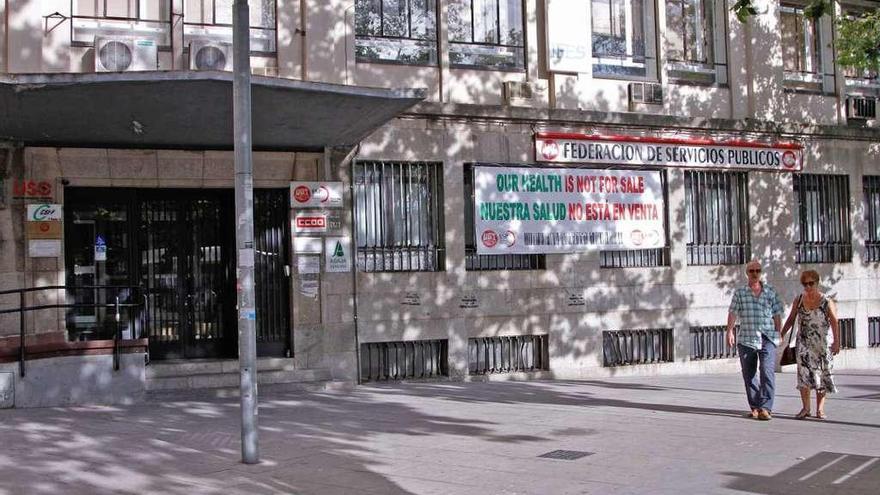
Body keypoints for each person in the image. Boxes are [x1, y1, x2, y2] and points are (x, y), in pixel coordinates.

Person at [726, 260, 785, 421]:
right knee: (749, 374)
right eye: (751, 271)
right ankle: (755, 407)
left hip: (767, 337)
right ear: (747, 273)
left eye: (757, 270)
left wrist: (779, 331)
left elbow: (777, 313)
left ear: (761, 272)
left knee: (767, 371)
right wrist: (729, 331)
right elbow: (733, 312)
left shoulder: (770, 291)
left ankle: (766, 408)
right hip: (747, 338)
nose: (754, 273)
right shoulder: (740, 292)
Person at [780, 270, 840, 420]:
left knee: (822, 374)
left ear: (817, 283)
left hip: (822, 344)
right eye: (805, 284)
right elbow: (791, 318)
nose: (808, 287)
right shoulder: (799, 299)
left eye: (811, 283)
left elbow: (834, 321)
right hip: (804, 344)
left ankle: (820, 409)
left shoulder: (826, 301)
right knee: (804, 375)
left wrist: (837, 342)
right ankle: (806, 408)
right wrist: (781, 333)